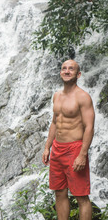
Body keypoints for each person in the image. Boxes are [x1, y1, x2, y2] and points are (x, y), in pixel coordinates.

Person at [42, 59, 95, 220]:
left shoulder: (83, 97)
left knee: (81, 196)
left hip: (75, 149)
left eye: (71, 69)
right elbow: (55, 122)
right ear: (60, 72)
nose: (66, 71)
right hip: (57, 149)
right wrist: (47, 147)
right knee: (59, 193)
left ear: (78, 74)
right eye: (64, 68)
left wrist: (82, 154)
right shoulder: (57, 96)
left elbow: (89, 127)